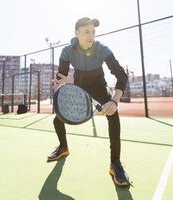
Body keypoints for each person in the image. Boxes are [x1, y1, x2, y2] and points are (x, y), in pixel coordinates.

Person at [48, 17, 130, 186]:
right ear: (76, 33)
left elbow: (121, 75)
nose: (91, 35)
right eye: (86, 31)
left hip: (99, 87)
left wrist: (114, 101)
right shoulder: (66, 51)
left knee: (113, 117)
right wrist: (60, 82)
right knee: (58, 119)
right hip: (78, 88)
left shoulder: (103, 49)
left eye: (93, 31)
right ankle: (63, 148)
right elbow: (61, 76)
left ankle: (115, 163)